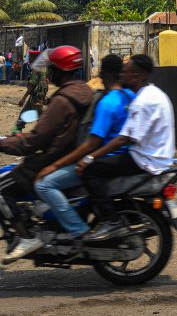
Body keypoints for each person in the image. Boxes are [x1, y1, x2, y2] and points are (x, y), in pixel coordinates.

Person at [0, 46, 91, 263]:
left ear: (60, 70)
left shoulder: (62, 100)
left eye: (52, 68)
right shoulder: (84, 90)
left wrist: (5, 144)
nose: (49, 73)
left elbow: (35, 140)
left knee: (3, 189)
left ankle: (26, 235)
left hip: (55, 158)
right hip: (70, 154)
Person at [33, 55, 135, 242]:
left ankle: (78, 231)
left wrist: (55, 166)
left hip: (103, 159)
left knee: (44, 184)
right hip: (124, 157)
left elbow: (92, 143)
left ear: (102, 74)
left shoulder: (107, 103)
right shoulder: (131, 97)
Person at [78, 54, 175, 242]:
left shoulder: (142, 101)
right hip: (156, 155)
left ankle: (111, 220)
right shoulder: (155, 94)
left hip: (144, 160)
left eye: (125, 73)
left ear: (137, 76)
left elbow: (124, 139)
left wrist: (89, 158)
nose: (121, 76)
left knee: (90, 172)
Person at [13, 52, 48, 134]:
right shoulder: (43, 67)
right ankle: (16, 133)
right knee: (23, 115)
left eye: (31, 57)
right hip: (36, 96)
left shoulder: (36, 68)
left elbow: (31, 85)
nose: (29, 58)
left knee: (41, 118)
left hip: (36, 97)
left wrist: (23, 98)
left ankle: (48, 135)